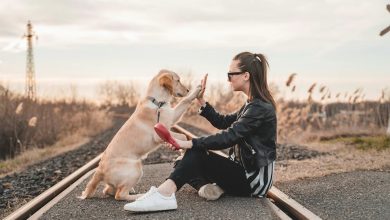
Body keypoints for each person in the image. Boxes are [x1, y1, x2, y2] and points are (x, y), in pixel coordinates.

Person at [124, 52, 277, 212]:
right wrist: (201, 100)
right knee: (182, 162)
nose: (228, 79)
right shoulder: (251, 104)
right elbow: (223, 122)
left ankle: (164, 194)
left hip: (253, 181)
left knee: (194, 154)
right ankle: (206, 188)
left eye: (230, 74)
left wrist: (189, 143)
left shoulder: (259, 108)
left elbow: (229, 137)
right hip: (243, 172)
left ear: (246, 76)